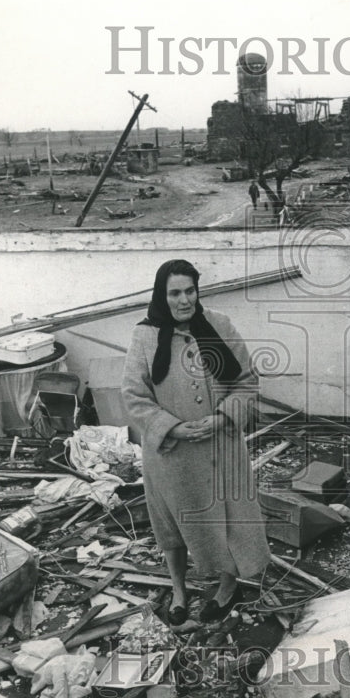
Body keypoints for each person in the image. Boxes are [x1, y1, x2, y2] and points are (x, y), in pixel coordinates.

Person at [121, 259, 270, 626]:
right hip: (171, 453)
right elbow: (134, 396)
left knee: (228, 519)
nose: (184, 300)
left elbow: (247, 381)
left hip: (221, 448)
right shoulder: (145, 335)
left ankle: (226, 585)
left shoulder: (219, 326)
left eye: (190, 291)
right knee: (172, 525)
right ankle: (178, 589)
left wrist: (222, 417)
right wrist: (171, 427)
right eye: (175, 293)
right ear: (162, 295)